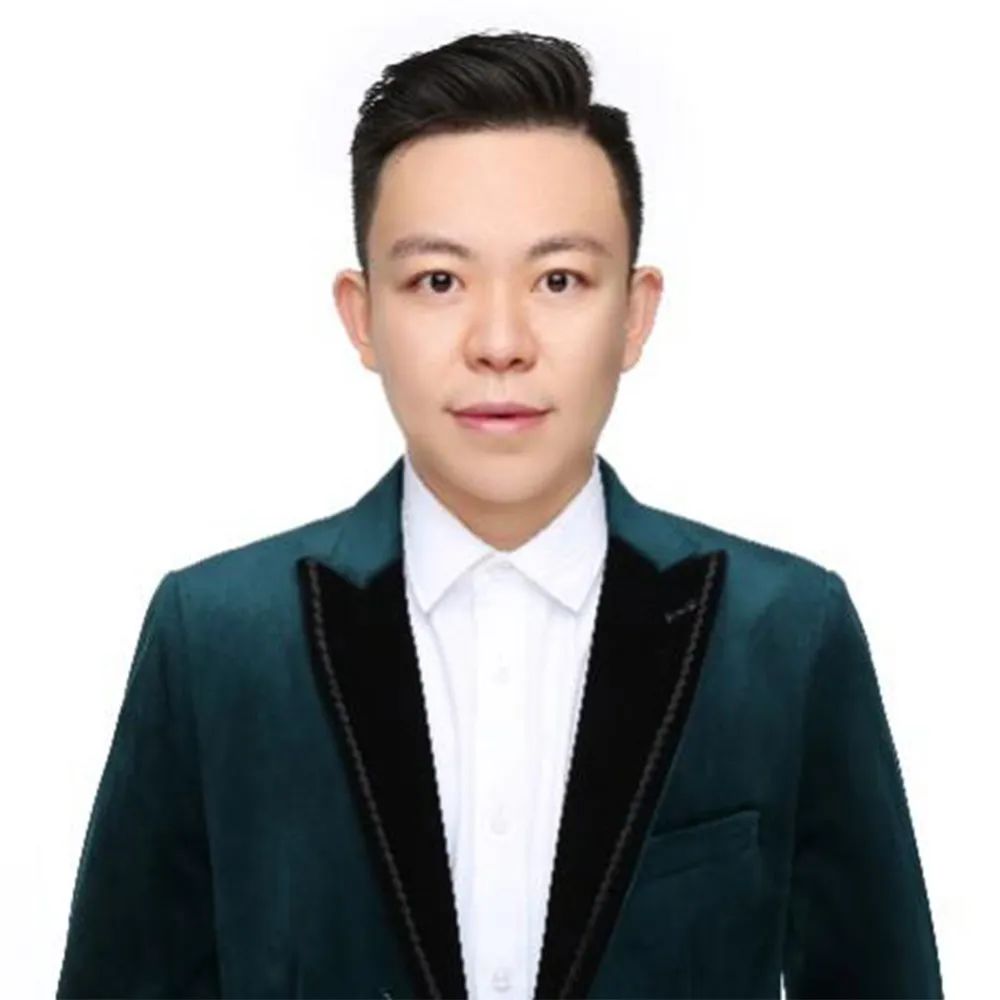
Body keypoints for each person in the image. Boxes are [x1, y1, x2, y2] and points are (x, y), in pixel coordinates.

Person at [56, 29, 943, 1000]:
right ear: (362, 314)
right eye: (439, 281)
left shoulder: (781, 632)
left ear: (634, 312)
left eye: (558, 279)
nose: (501, 341)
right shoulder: (219, 639)